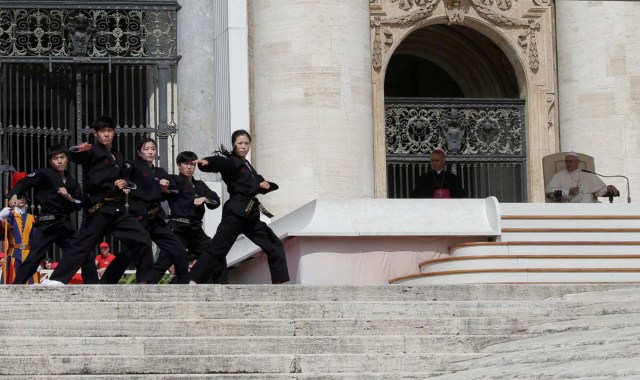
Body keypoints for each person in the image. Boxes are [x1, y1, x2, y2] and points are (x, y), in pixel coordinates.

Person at [42, 115, 154, 285]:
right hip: (98, 208)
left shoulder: (118, 155)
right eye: (102, 131)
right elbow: (75, 155)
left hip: (117, 210)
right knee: (82, 246)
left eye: (109, 131)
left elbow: (127, 177)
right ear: (96, 134)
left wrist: (125, 183)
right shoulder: (92, 150)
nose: (106, 134)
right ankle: (56, 280)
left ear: (114, 133)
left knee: (142, 238)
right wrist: (78, 149)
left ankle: (145, 281)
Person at [189, 129, 289, 284]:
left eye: (246, 143)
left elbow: (255, 181)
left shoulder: (247, 165)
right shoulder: (232, 161)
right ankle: (193, 281)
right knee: (217, 250)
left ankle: (281, 285)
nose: (243, 146)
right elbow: (220, 162)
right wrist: (207, 163)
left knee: (274, 245)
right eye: (240, 143)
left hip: (250, 215)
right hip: (235, 214)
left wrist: (264, 184)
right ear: (234, 145)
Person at [100, 138, 192, 284]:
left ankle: (184, 284)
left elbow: (172, 188)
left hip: (156, 218)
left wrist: (166, 186)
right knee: (128, 253)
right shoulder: (134, 166)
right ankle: (107, 283)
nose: (150, 152)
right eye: (146, 149)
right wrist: (123, 183)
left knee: (178, 249)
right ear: (139, 152)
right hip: (139, 219)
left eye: (153, 149)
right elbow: (122, 175)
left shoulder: (160, 172)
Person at [7, 144, 98, 285]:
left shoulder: (72, 183)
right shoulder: (44, 174)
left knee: (84, 253)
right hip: (46, 224)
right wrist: (14, 194)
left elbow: (79, 204)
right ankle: (16, 287)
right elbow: (24, 182)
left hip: (64, 226)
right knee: (33, 258)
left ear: (67, 159)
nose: (59, 161)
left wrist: (68, 196)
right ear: (50, 161)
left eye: (62, 157)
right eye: (55, 158)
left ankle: (94, 288)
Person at [149, 150, 220, 283]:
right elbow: (167, 184)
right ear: (179, 165)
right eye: (186, 164)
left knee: (215, 254)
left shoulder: (200, 185)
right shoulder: (175, 180)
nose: (189, 167)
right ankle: (143, 292)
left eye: (192, 164)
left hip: (196, 231)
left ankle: (216, 287)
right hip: (178, 229)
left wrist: (205, 199)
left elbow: (215, 200)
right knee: (164, 262)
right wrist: (164, 185)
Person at [0, 172, 39, 284]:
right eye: (19, 196)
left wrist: (38, 261)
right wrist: (1, 218)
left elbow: (37, 240)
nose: (21, 199)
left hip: (29, 256)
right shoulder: (8, 216)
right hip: (13, 256)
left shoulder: (32, 218)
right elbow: (2, 232)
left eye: (23, 196)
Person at [546, 152, 619, 203]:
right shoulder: (559, 176)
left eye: (570, 161)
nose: (568, 163)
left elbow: (599, 192)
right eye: (566, 161)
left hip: (590, 208)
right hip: (569, 209)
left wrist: (608, 188)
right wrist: (567, 192)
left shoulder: (587, 173)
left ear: (577, 162)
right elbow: (549, 192)